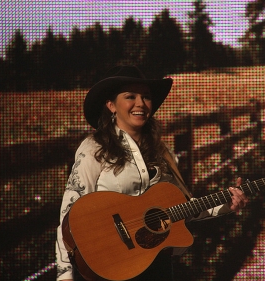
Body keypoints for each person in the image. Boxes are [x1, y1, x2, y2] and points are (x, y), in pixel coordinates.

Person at [56, 65, 248, 281]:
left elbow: (182, 208)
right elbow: (69, 215)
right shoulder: (94, 148)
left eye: (146, 97)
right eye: (130, 96)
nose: (140, 103)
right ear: (111, 105)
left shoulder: (162, 152)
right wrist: (65, 274)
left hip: (156, 266)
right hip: (109, 266)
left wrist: (226, 205)